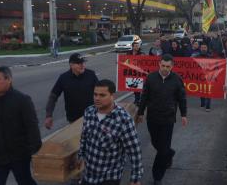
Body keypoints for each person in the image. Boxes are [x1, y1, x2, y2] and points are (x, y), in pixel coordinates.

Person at [0, 66, 42, 185]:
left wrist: (34, 150)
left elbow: (32, 126)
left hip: (19, 156)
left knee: (25, 181)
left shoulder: (22, 100)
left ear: (9, 80)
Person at [135, 54, 187, 185]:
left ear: (172, 66)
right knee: (156, 144)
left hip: (168, 118)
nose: (165, 68)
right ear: (159, 64)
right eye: (163, 65)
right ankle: (170, 153)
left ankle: (157, 177)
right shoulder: (151, 78)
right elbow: (144, 96)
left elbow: (182, 98)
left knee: (162, 149)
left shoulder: (177, 79)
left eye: (168, 66)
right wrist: (140, 112)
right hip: (152, 117)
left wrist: (183, 114)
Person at [78, 79, 143, 185]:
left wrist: (135, 178)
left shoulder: (123, 119)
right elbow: (84, 138)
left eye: (102, 95)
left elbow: (134, 151)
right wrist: (81, 156)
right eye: (95, 94)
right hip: (88, 174)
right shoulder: (89, 112)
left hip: (109, 177)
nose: (97, 98)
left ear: (113, 96)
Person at [45, 53, 98, 129]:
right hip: (73, 119)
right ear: (71, 65)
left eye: (83, 62)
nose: (82, 65)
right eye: (79, 63)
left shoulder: (91, 74)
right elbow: (53, 97)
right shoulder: (63, 78)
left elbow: (100, 93)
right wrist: (48, 116)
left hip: (91, 117)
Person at [196, 42, 212, 111]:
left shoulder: (210, 57)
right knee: (201, 90)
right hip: (200, 76)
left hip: (208, 76)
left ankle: (208, 106)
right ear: (200, 48)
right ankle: (202, 103)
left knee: (208, 91)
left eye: (204, 47)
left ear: (207, 48)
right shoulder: (197, 57)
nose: (203, 49)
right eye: (202, 47)